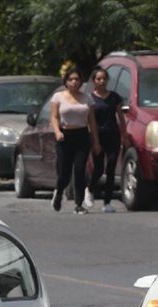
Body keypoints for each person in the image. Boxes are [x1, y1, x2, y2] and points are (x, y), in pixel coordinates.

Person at [50, 68, 101, 214]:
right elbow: (54, 117)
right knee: (64, 173)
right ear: (66, 81)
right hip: (65, 136)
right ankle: (59, 192)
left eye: (77, 79)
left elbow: (92, 121)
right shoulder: (58, 97)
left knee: (79, 170)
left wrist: (96, 142)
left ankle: (79, 204)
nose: (74, 82)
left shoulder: (87, 99)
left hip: (82, 135)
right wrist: (57, 131)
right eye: (71, 79)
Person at [86, 66, 128, 213]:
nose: (102, 81)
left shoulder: (114, 97)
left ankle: (107, 202)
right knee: (98, 168)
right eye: (98, 79)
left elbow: (121, 118)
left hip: (113, 135)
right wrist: (95, 142)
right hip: (98, 135)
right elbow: (90, 121)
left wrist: (125, 136)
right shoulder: (90, 98)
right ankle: (90, 190)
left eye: (104, 78)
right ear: (94, 81)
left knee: (111, 167)